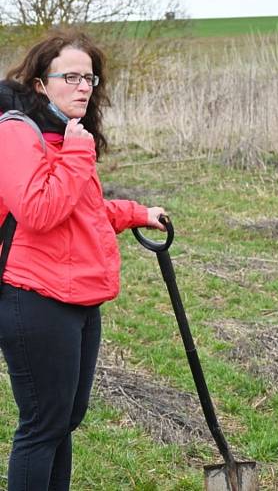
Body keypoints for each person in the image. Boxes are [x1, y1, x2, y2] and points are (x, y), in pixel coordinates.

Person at [0, 30, 166, 491]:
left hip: (77, 296)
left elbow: (81, 211)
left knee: (64, 422)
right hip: (34, 296)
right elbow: (38, 211)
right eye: (69, 76)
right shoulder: (16, 132)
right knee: (42, 426)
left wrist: (137, 213)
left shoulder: (63, 134)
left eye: (88, 78)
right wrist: (77, 151)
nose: (82, 87)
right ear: (40, 83)